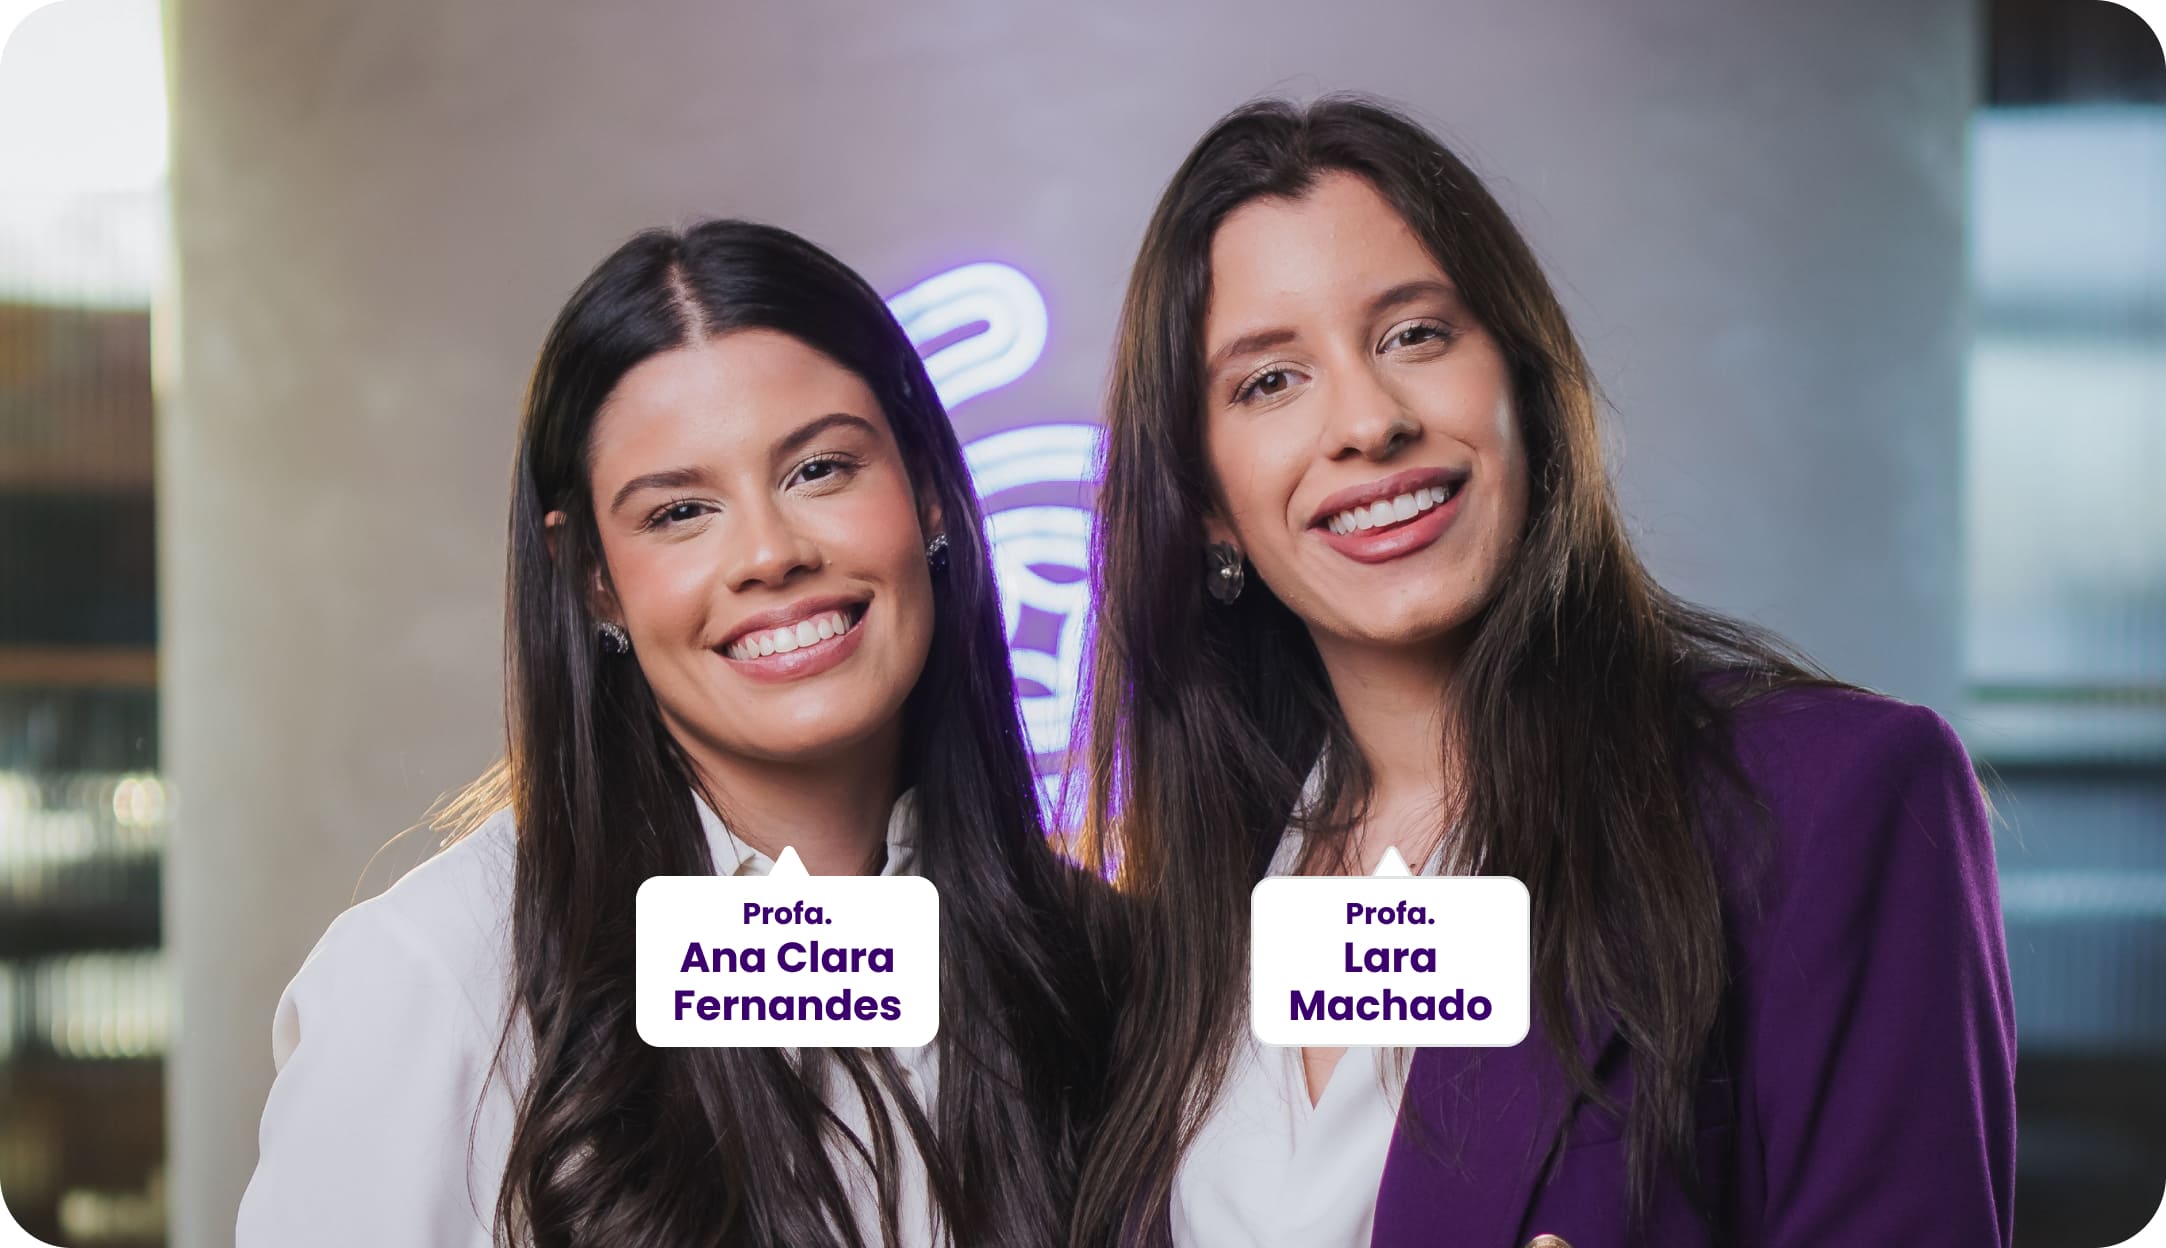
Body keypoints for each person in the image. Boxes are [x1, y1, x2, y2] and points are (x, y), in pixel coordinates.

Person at [1070, 97, 2015, 1248]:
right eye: (1269, 381)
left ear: (1522, 383)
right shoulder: (1185, 921)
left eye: (1415, 334)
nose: (1366, 422)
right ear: (1210, 506)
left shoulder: (1833, 800)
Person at [238, 219, 1111, 1248]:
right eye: (680, 512)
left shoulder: (1098, 962)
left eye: (820, 469)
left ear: (924, 488)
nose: (770, 552)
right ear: (594, 579)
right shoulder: (437, 981)